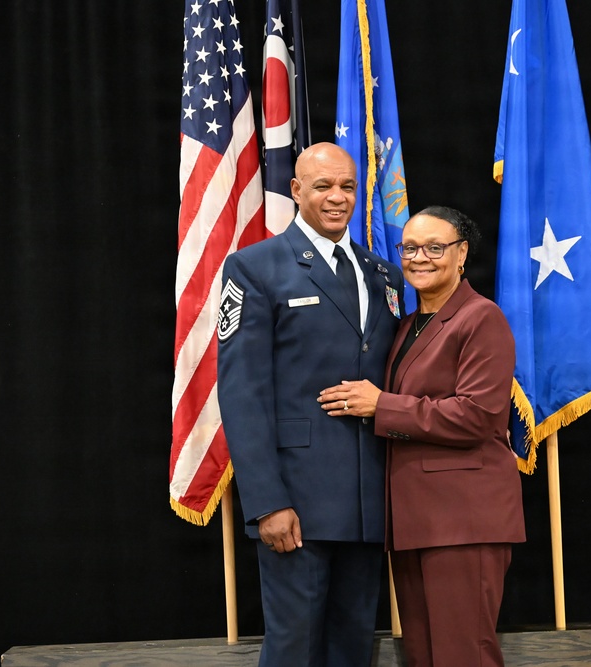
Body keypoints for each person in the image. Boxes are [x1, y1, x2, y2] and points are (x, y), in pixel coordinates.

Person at [216, 142, 405, 667]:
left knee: (351, 651)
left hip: (369, 500)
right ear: (296, 191)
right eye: (323, 186)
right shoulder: (255, 268)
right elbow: (242, 394)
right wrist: (266, 502)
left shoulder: (382, 273)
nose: (338, 197)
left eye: (347, 186)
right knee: (294, 650)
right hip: (296, 502)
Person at [318, 205, 526, 667]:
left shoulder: (480, 318)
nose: (420, 258)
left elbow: (478, 415)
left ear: (462, 253)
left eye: (435, 247)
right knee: (426, 658)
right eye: (409, 248)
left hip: (463, 519)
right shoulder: (409, 325)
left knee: (462, 656)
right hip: (415, 521)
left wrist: (382, 405)